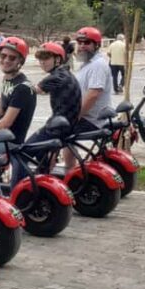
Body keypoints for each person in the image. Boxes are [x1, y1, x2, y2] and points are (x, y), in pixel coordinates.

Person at [0, 36, 36, 193]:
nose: (6, 60)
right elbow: (1, 109)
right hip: (1, 135)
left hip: (11, 139)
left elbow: (8, 120)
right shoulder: (8, 79)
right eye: (3, 56)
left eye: (12, 58)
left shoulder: (22, 87)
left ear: (20, 61)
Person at [20, 42, 81, 181]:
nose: (42, 62)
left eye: (46, 58)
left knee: (23, 153)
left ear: (57, 59)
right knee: (41, 153)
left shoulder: (57, 76)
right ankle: (44, 177)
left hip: (59, 127)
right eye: (40, 59)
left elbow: (33, 90)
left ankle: (18, 188)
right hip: (67, 124)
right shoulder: (66, 73)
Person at [63, 26, 112, 169]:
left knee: (57, 133)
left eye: (87, 43)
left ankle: (68, 172)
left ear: (96, 45)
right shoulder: (88, 64)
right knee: (60, 132)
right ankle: (70, 170)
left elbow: (93, 94)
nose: (82, 46)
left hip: (92, 119)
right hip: (89, 117)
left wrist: (75, 116)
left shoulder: (97, 65)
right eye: (80, 42)